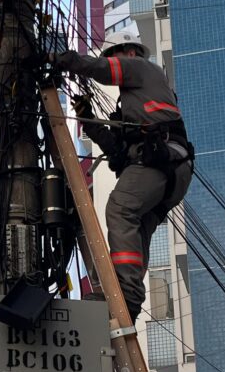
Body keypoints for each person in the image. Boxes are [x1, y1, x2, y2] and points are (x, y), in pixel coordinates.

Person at [53, 32, 193, 322]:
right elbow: (116, 151)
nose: (113, 62)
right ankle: (127, 297)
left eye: (113, 56)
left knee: (119, 208)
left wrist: (61, 59)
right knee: (136, 231)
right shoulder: (134, 105)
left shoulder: (144, 68)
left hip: (160, 161)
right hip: (168, 170)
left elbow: (104, 70)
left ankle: (127, 297)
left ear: (128, 52)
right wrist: (88, 118)